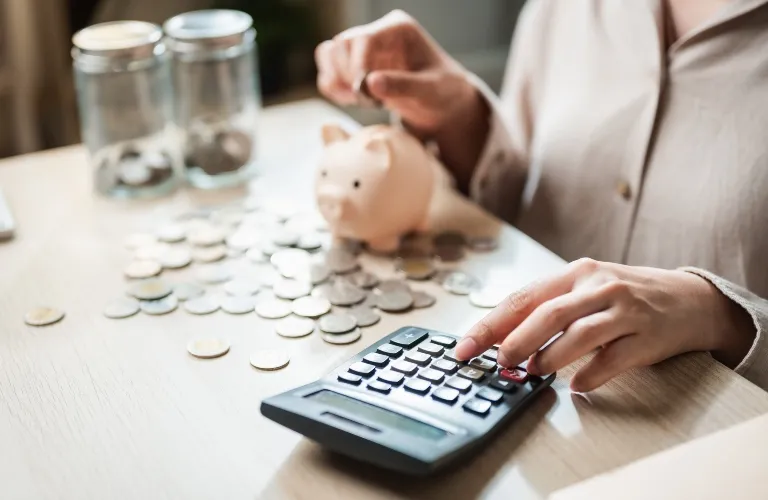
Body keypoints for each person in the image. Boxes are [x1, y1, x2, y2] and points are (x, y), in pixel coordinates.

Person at [315, 1, 768, 393]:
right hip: (532, 399)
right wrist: (461, 118)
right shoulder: (560, 7)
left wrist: (719, 315)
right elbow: (527, 196)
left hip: (709, 435)